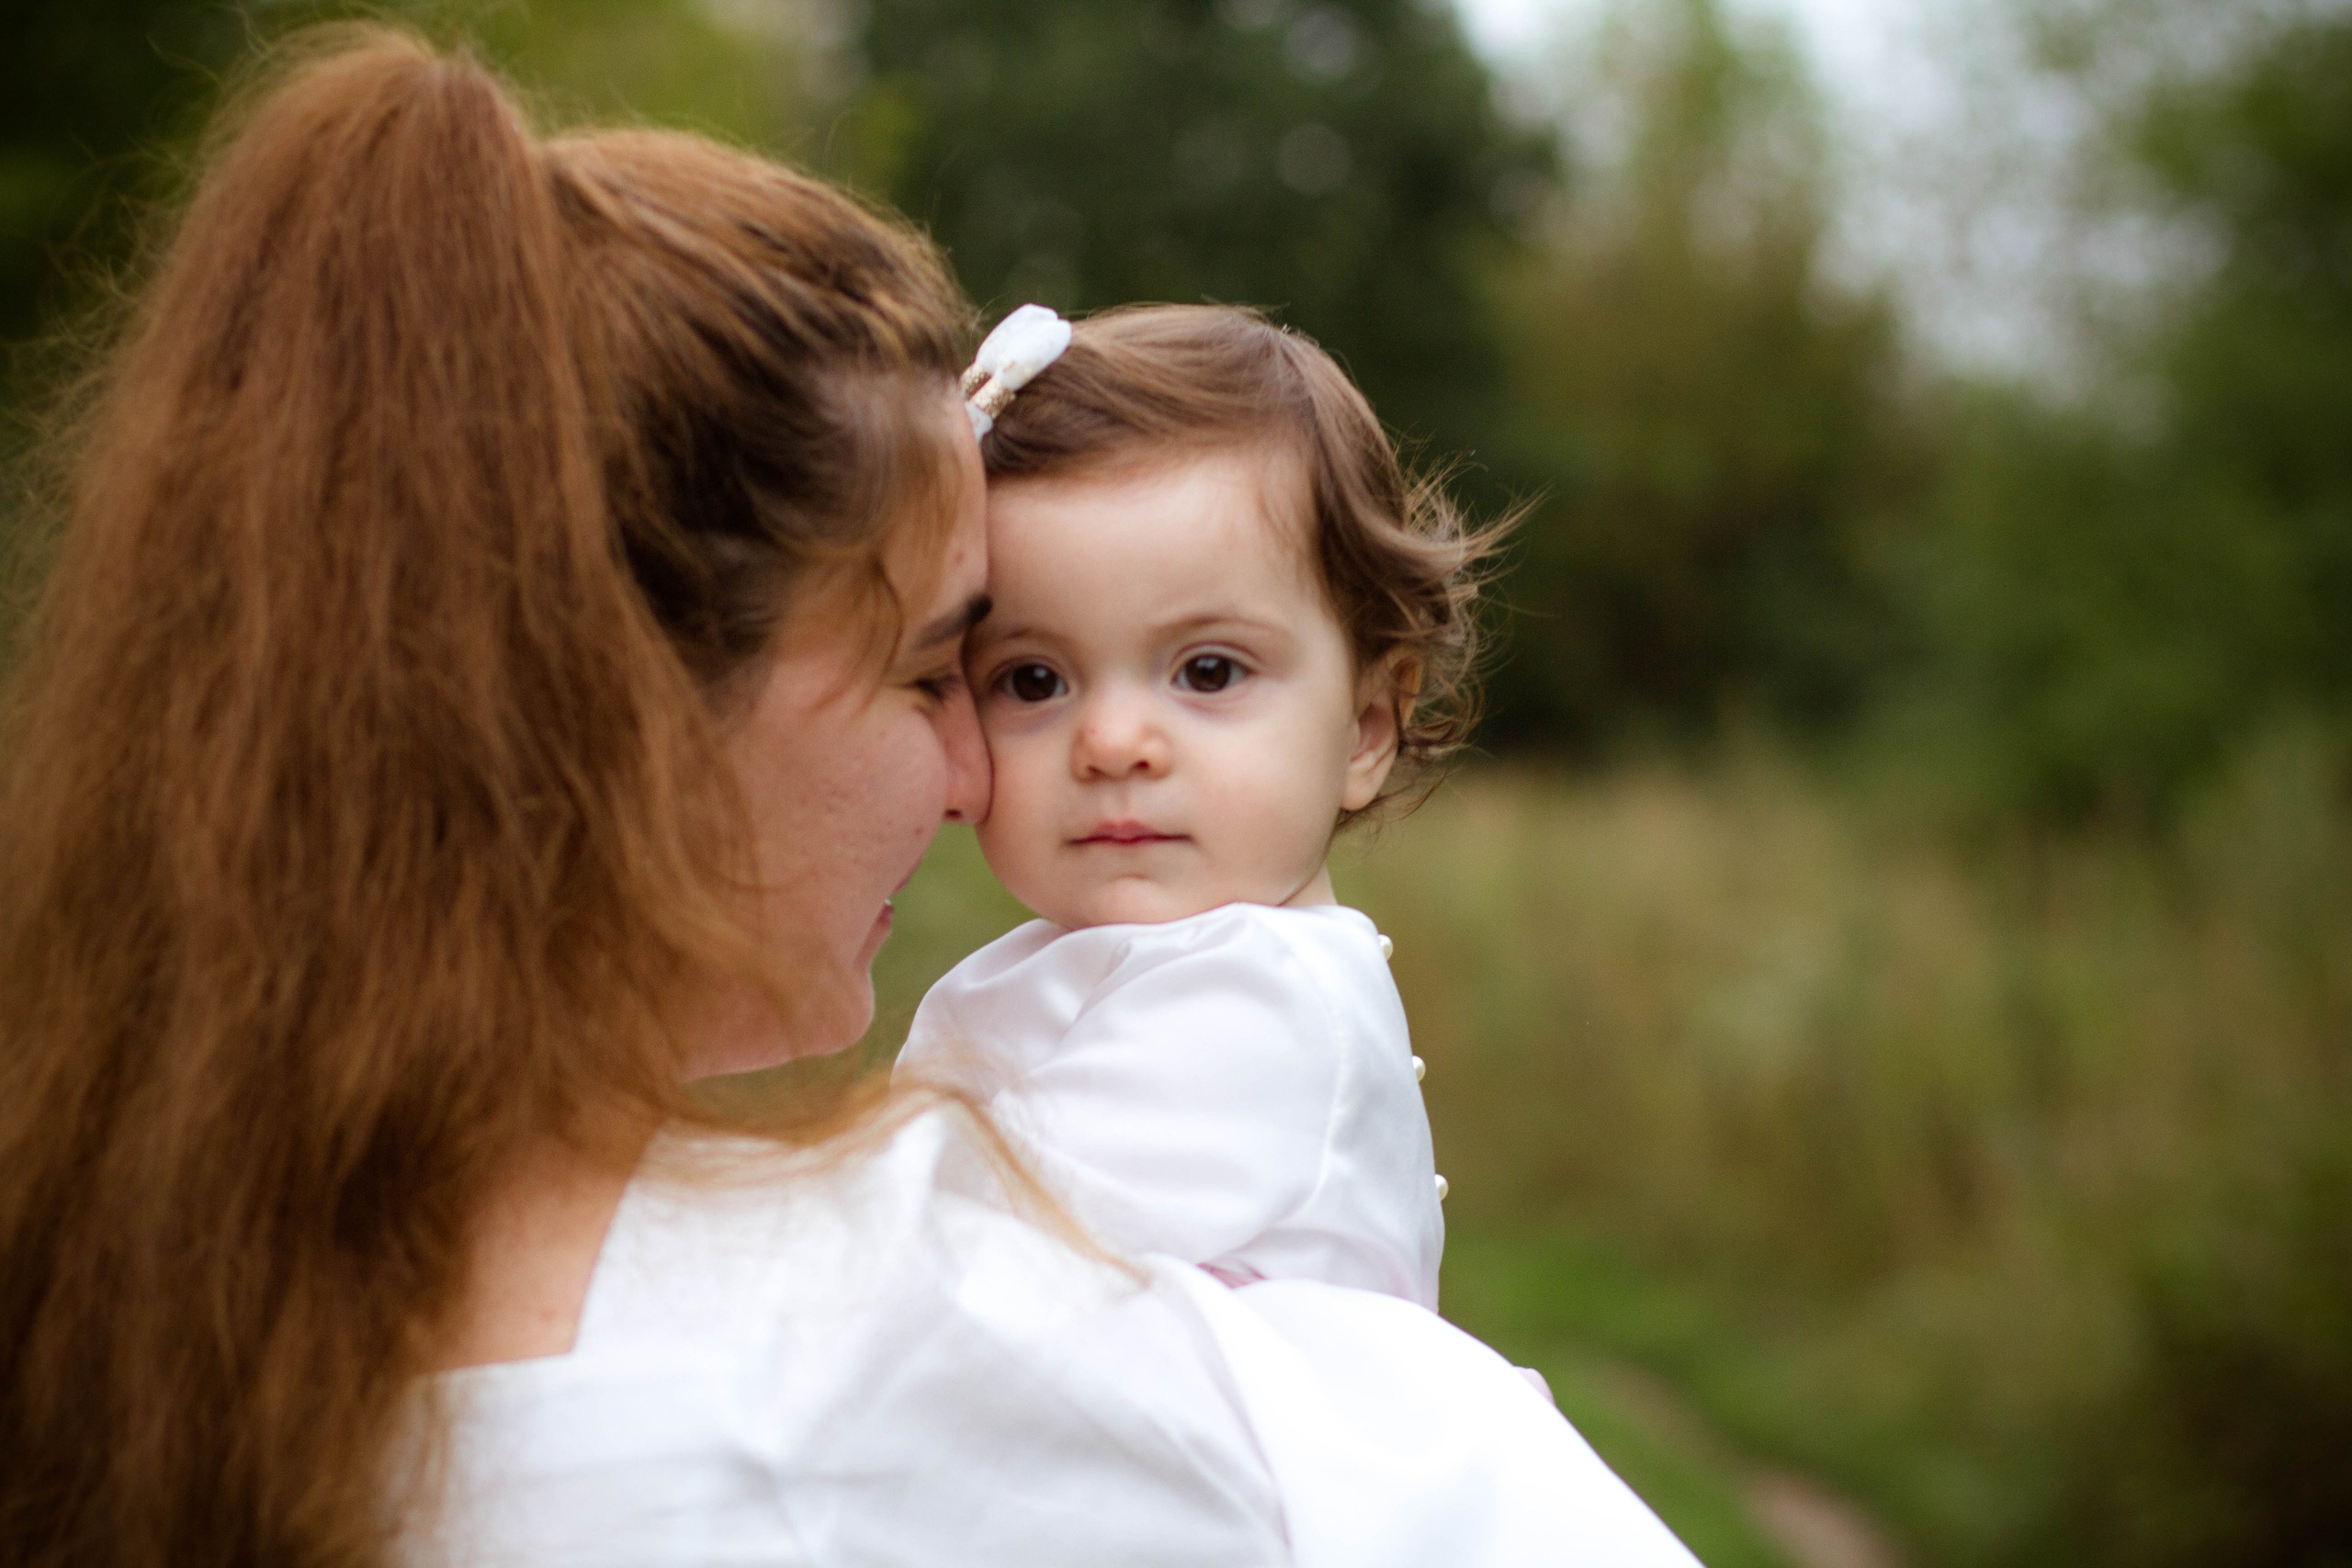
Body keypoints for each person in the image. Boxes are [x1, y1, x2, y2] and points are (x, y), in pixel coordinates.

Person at [0, 28, 1701, 1568]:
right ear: (632, 714)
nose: (985, 773)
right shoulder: (876, 1385)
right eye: (949, 669)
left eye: (1202, 671)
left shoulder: (138, 1257)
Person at [897, 303, 1485, 1312]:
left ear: (1364, 730)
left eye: (1207, 670)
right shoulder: (1092, 967)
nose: (1114, 742)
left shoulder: (1264, 1002)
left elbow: (956, 1272)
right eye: (1033, 681)